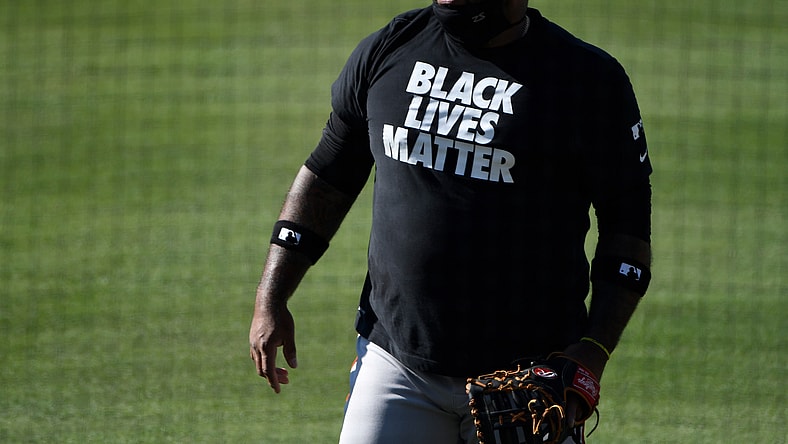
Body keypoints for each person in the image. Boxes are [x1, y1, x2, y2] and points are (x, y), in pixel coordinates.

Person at [249, 0, 653, 443]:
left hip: (530, 379)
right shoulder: (392, 47)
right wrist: (272, 295)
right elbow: (327, 177)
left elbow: (627, 227)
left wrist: (592, 353)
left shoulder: (587, 81)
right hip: (396, 364)